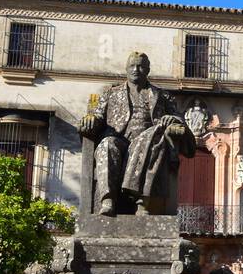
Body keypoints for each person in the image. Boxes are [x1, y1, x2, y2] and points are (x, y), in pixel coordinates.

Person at [81, 52, 195, 216]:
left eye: (141, 66)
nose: (136, 69)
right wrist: (90, 120)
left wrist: (173, 119)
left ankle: (142, 201)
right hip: (119, 140)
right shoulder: (111, 93)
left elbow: (178, 118)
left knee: (152, 135)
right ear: (126, 69)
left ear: (147, 70)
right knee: (107, 144)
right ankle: (108, 200)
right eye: (132, 66)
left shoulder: (162, 96)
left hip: (150, 141)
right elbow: (98, 117)